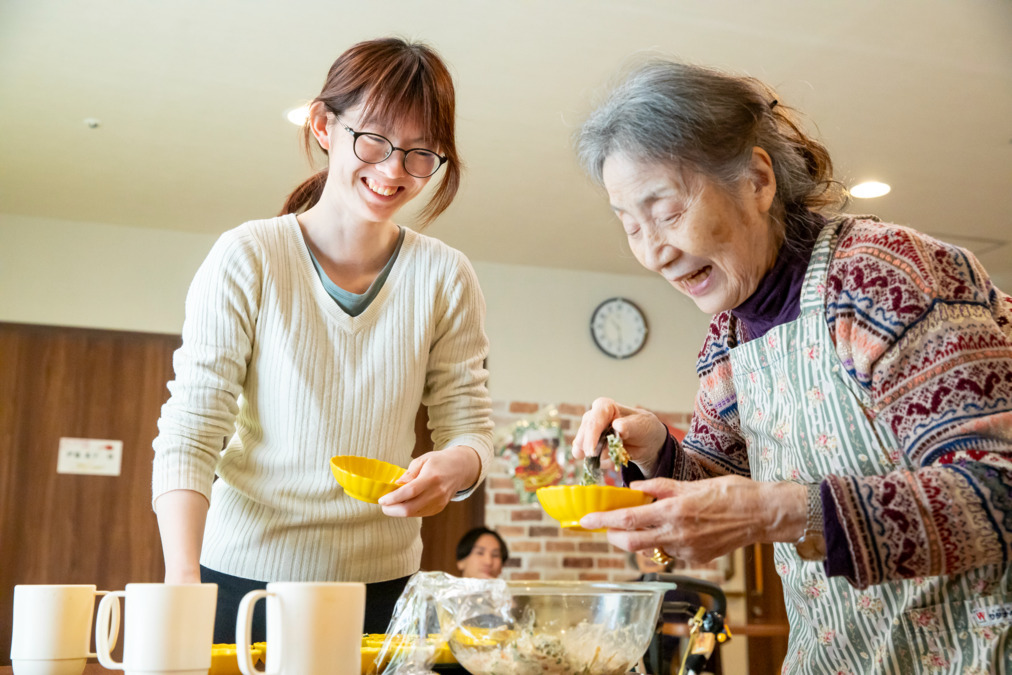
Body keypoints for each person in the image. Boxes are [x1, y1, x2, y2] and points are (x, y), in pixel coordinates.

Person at [571, 59, 1012, 674]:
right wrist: (656, 452)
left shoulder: (882, 276)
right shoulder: (730, 333)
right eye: (630, 225)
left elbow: (999, 490)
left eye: (667, 212)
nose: (653, 252)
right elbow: (718, 478)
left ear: (756, 179)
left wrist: (777, 511)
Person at [151, 37, 494, 642]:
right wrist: (182, 575)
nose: (393, 170)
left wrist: (458, 465)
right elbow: (193, 422)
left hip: (384, 587)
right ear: (323, 124)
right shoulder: (249, 256)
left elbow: (468, 424)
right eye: (375, 139)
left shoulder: (445, 276)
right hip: (239, 580)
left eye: (420, 154)